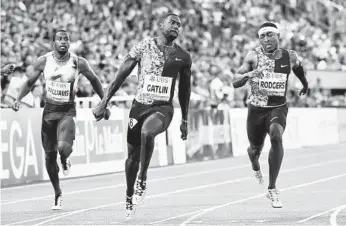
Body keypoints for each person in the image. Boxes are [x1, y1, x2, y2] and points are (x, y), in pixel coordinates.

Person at [92, 13, 192, 220]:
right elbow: (122, 74)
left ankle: (143, 178)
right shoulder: (143, 47)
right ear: (159, 24)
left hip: (163, 109)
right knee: (131, 158)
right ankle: (129, 195)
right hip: (139, 107)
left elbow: (185, 90)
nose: (176, 27)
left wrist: (185, 119)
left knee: (148, 133)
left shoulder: (183, 57)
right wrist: (104, 102)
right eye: (172, 23)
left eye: (179, 25)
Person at [10, 29, 109, 210]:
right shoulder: (43, 61)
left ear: (69, 43)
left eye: (66, 39)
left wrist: (104, 102)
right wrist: (17, 99)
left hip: (67, 111)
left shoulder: (78, 62)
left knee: (63, 148)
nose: (63, 41)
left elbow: (94, 80)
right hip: (49, 112)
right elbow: (30, 82)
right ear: (53, 43)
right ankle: (57, 193)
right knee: (49, 155)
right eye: (59, 39)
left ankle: (64, 159)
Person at [232, 22, 309, 208]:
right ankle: (255, 163)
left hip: (278, 107)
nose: (266, 39)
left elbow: (298, 68)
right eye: (262, 36)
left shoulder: (289, 55)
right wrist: (250, 74)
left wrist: (305, 84)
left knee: (276, 136)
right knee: (255, 150)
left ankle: (272, 188)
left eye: (270, 35)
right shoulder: (253, 56)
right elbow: (235, 81)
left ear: (278, 36)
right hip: (256, 110)